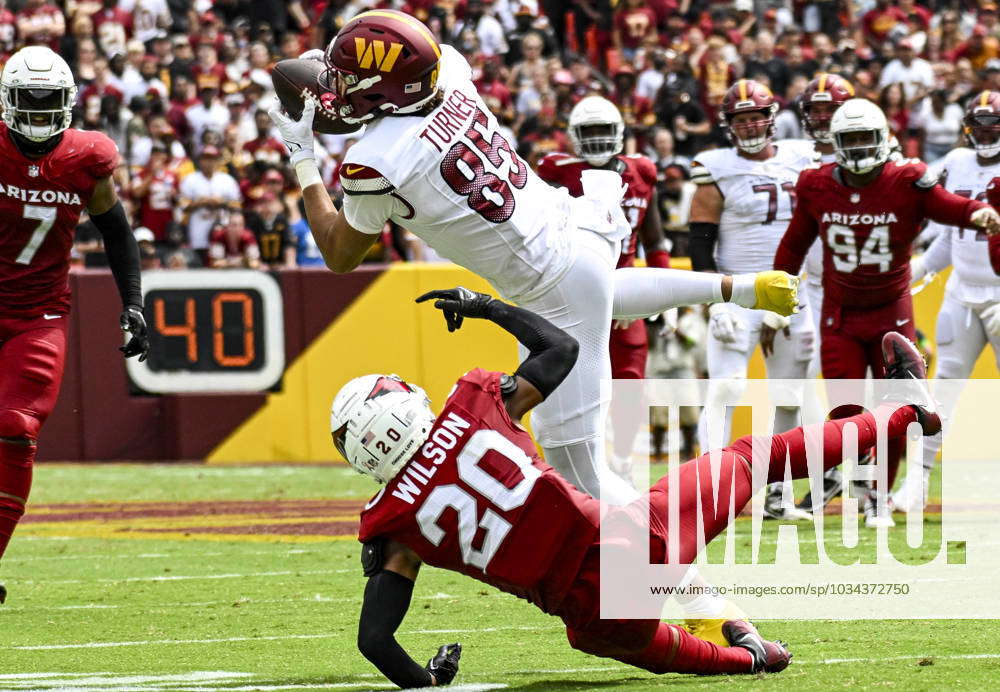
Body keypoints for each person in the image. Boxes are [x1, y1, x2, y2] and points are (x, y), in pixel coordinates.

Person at [269, 10, 799, 511]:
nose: (333, 84)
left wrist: (303, 157)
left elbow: (339, 253)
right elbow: (391, 88)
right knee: (603, 293)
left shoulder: (374, 162)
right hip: (578, 228)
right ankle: (736, 287)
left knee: (582, 474)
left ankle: (697, 593)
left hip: (552, 285)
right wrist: (341, 73)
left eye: (344, 77)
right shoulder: (449, 69)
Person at [340, 286, 941, 688]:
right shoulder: (472, 408)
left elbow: (374, 640)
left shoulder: (394, 523)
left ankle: (750, 658)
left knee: (641, 647)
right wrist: (487, 307)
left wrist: (427, 684)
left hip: (588, 612)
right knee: (753, 458)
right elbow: (563, 348)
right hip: (631, 542)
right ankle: (902, 415)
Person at [773, 98, 1000, 527]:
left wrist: (978, 213)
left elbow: (947, 205)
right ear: (836, 143)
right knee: (844, 410)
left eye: (865, 138)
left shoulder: (906, 180)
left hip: (890, 311)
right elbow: (794, 243)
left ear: (882, 139)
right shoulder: (815, 184)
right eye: (850, 139)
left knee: (893, 406)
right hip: (839, 313)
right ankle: (854, 479)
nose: (858, 147)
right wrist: (775, 291)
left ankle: (878, 495)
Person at [0, 47, 149, 605]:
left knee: (16, 427)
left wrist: (133, 301)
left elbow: (116, 230)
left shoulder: (87, 157)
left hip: (37, 313)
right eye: (29, 104)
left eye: (49, 105)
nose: (39, 117)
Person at [687, 79, 818, 521]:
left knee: (789, 397)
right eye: (739, 119)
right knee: (726, 388)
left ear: (771, 117)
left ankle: (777, 494)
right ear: (728, 125)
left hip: (792, 294)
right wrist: (716, 300)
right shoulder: (715, 166)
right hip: (737, 292)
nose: (749, 126)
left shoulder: (803, 156)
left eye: (755, 117)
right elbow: (700, 241)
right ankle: (710, 492)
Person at [537, 95, 670, 478]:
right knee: (575, 388)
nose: (596, 140)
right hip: (575, 293)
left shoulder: (642, 172)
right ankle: (579, 468)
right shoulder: (555, 171)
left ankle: (624, 461)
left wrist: (660, 300)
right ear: (575, 136)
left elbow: (654, 239)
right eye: (588, 132)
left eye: (602, 131)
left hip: (625, 290)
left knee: (630, 384)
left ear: (619, 133)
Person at [895, 91, 1000, 512]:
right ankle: (917, 482)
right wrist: (911, 274)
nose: (988, 133)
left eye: (995, 125)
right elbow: (951, 240)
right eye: (981, 125)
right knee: (940, 395)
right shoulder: (955, 163)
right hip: (961, 293)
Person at [783, 74, 856, 515]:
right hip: (809, 285)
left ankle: (866, 477)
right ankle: (831, 469)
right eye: (816, 111)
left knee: (853, 383)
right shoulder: (791, 155)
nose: (823, 118)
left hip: (857, 284)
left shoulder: (876, 152)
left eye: (831, 110)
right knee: (805, 380)